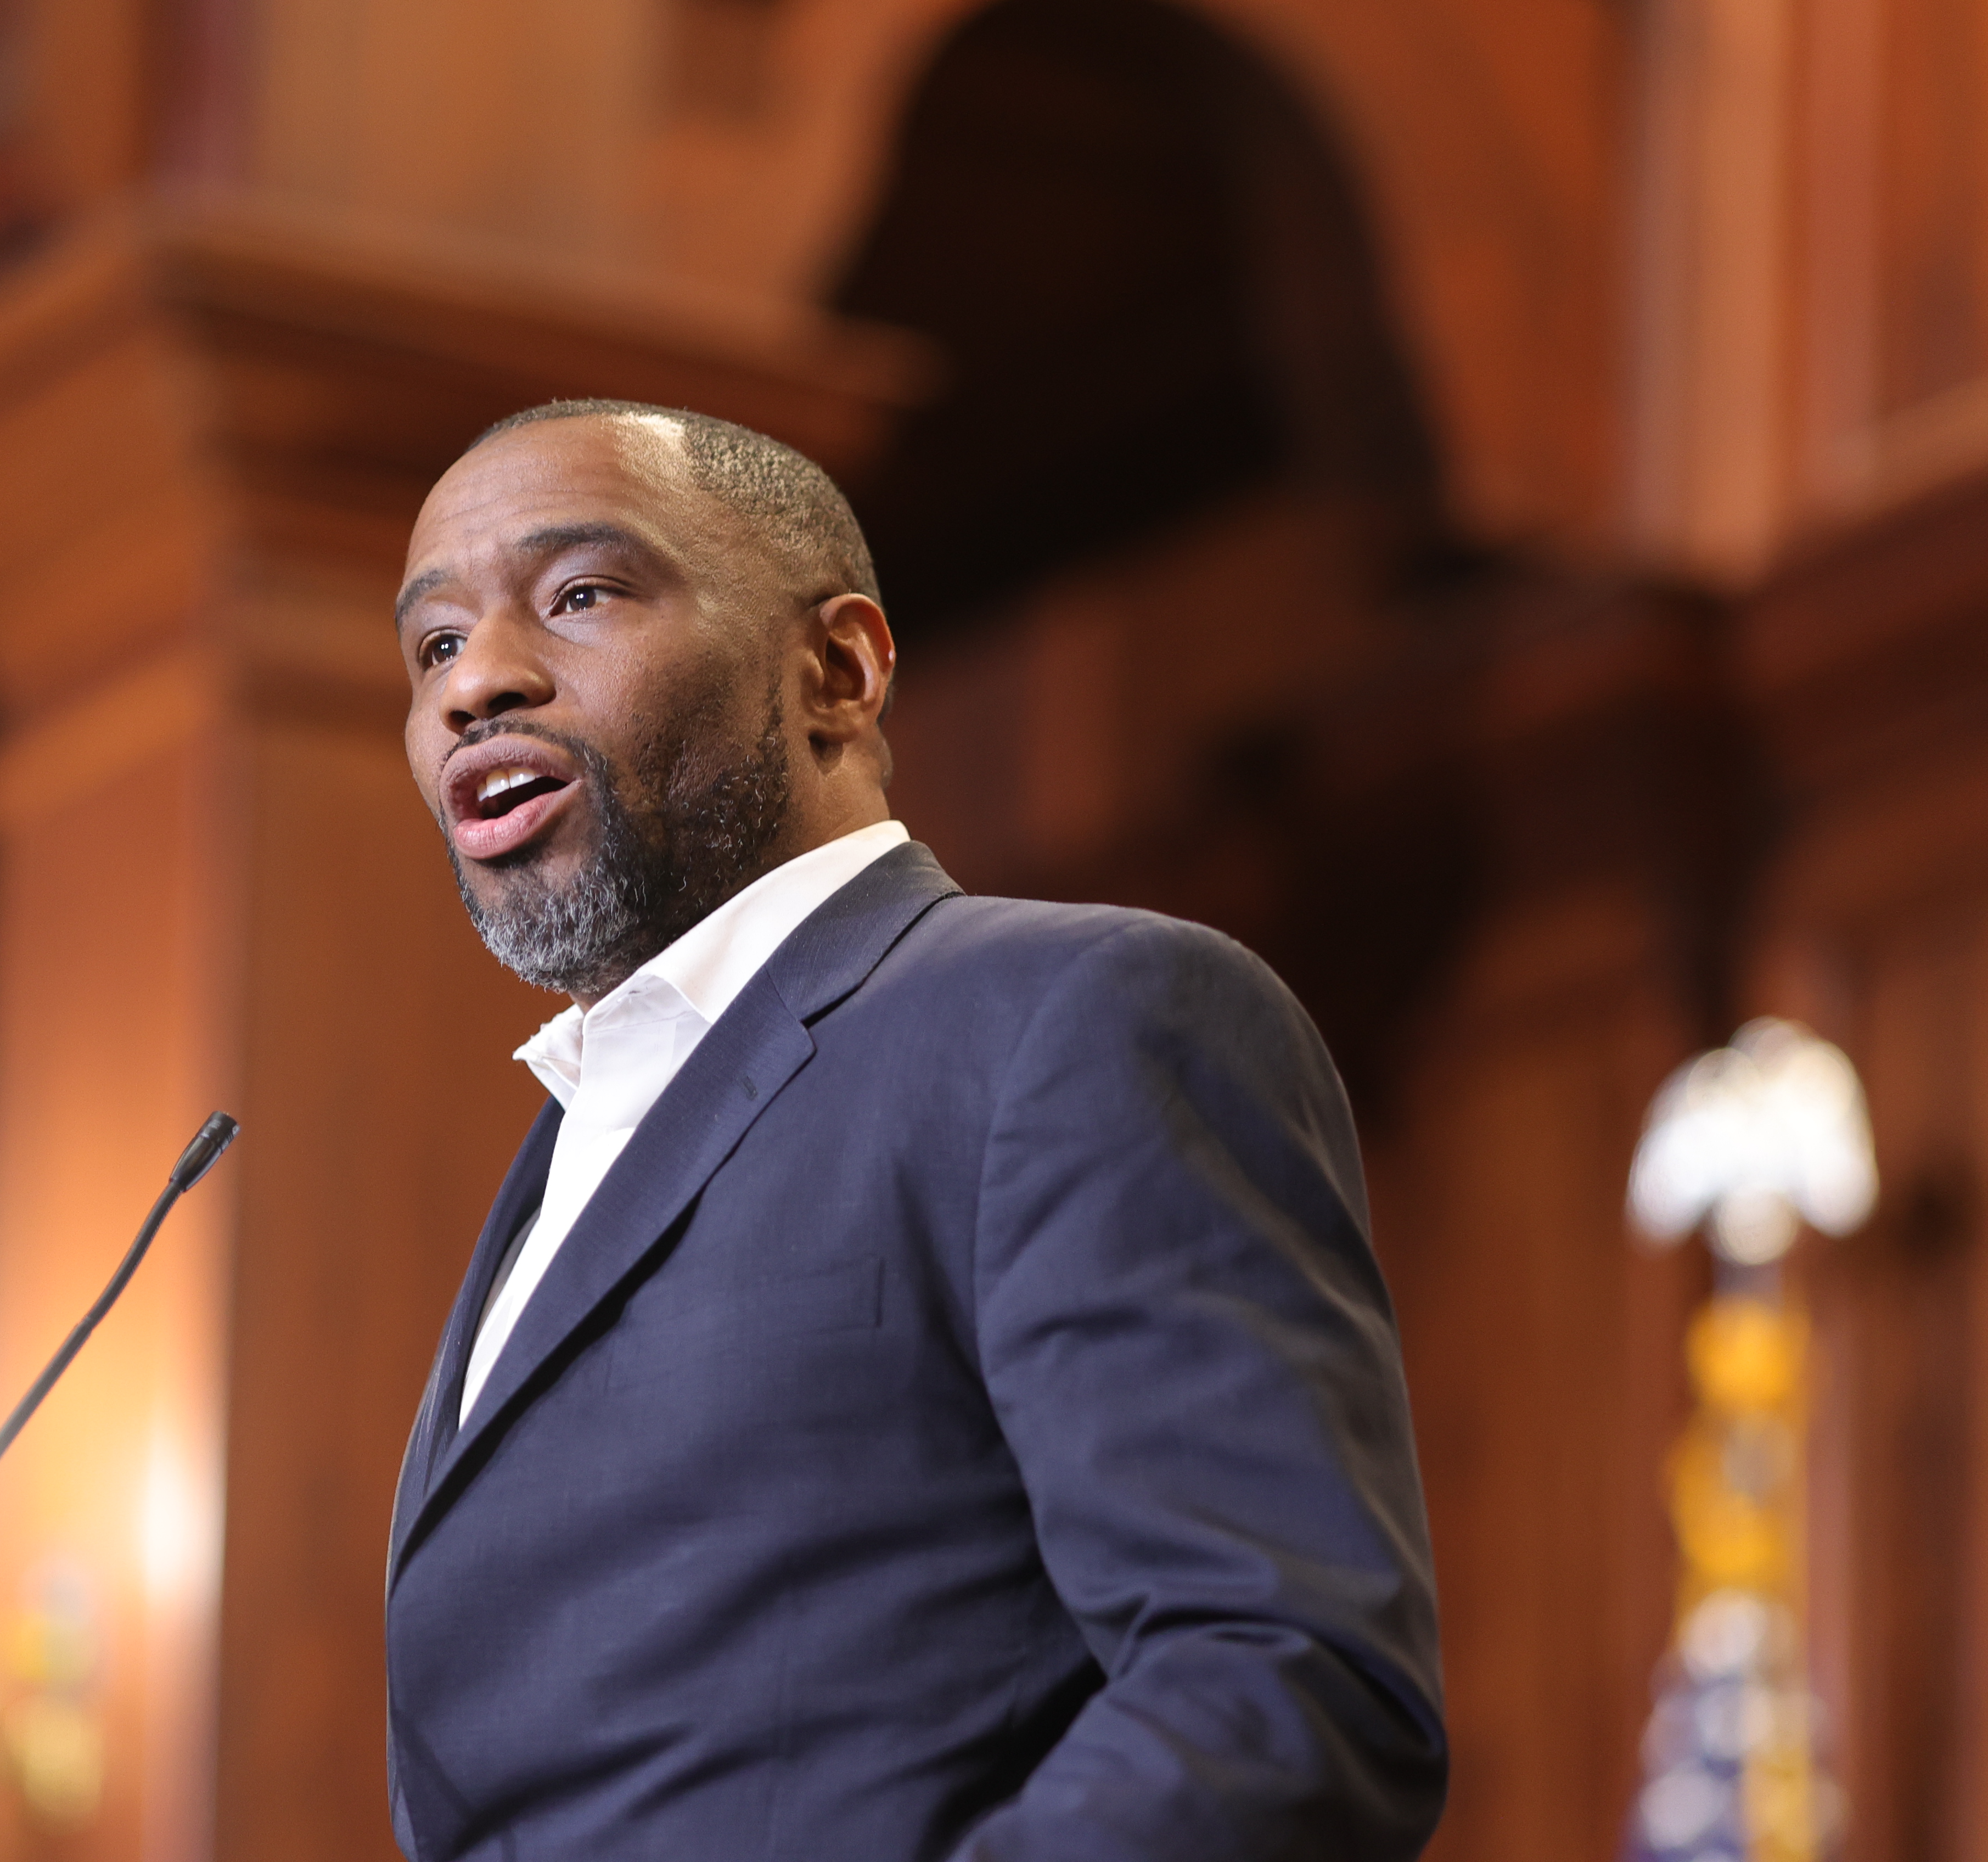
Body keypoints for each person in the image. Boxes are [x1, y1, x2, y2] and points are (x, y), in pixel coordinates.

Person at [382, 399, 1447, 1861]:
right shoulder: (568, 1152)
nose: (476, 683)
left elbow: (1284, 1688)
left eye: (578, 596)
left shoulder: (1071, 1021)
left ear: (840, 668)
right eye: (434, 644)